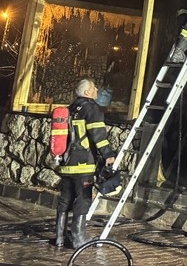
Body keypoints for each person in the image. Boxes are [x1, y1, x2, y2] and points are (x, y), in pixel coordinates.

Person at [55, 78, 115, 249]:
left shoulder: (71, 108)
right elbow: (98, 134)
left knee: (65, 200)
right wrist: (108, 154)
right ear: (88, 92)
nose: (97, 90)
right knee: (83, 200)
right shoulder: (91, 108)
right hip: (83, 164)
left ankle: (59, 237)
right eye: (94, 87)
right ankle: (78, 238)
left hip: (66, 163)